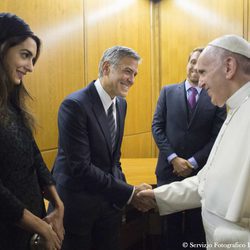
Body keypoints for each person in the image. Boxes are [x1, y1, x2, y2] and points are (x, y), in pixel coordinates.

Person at [139, 34, 250, 250]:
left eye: (203, 72)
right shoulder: (235, 109)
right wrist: (158, 196)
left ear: (228, 67)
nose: (200, 82)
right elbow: (206, 183)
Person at [51, 45, 153, 250]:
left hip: (108, 206)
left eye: (135, 74)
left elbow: (113, 159)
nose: (132, 80)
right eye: (127, 71)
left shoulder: (121, 104)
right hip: (78, 207)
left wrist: (125, 194)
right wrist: (129, 193)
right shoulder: (75, 105)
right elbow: (81, 168)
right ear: (107, 68)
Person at [0, 13, 64, 250]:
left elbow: (33, 154)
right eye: (25, 55)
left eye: (33, 59)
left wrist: (58, 203)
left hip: (31, 226)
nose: (30, 67)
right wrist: (40, 227)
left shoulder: (11, 102)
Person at [152, 47, 226, 249]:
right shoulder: (167, 92)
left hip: (200, 173)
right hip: (168, 171)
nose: (195, 67)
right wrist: (173, 158)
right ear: (188, 63)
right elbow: (157, 127)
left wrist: (193, 162)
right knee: (169, 230)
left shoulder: (216, 97)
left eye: (200, 64)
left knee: (196, 230)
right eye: (192, 61)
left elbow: (217, 137)